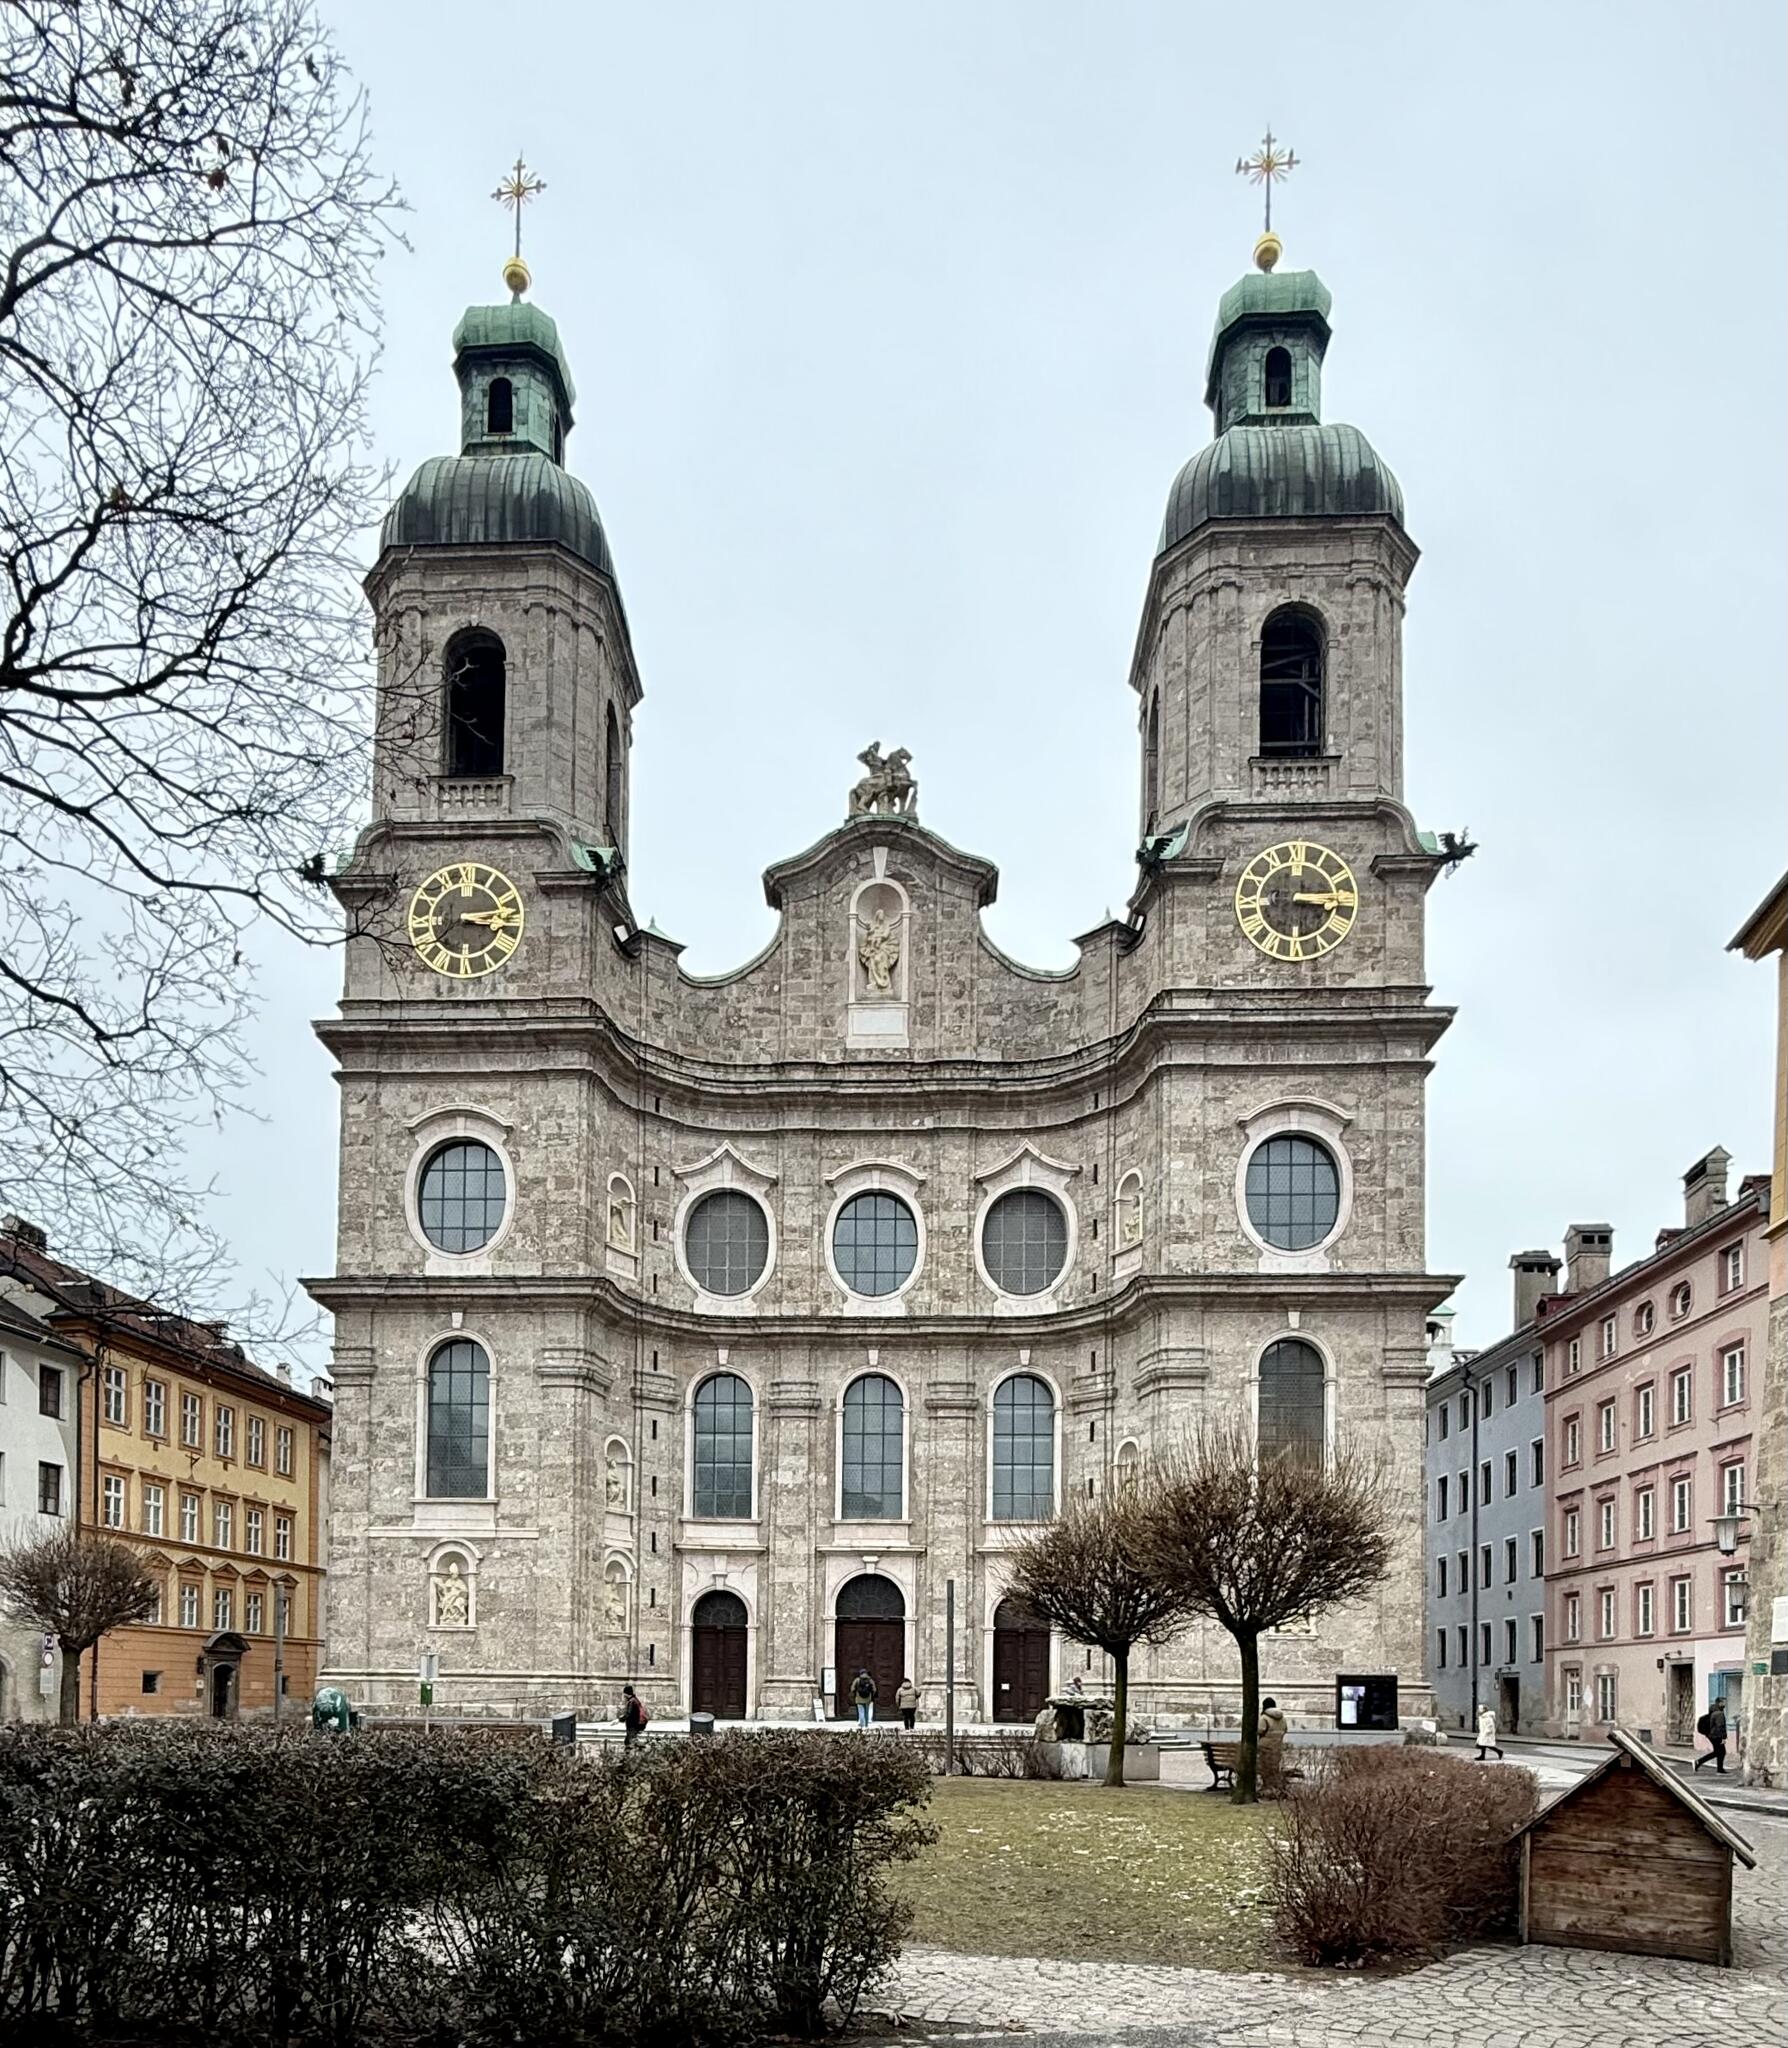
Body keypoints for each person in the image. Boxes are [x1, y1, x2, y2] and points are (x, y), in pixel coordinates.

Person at [1258, 1696, 1289, 1794]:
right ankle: (1275, 1787)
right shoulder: (1283, 1718)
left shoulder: (1264, 1717)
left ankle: (1267, 1787)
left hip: (1265, 1746)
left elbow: (1260, 1730)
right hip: (1277, 1746)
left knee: (1265, 1768)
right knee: (1275, 1768)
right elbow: (1285, 1730)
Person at [1694, 1698, 1729, 1773]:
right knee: (1721, 1752)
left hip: (1711, 1735)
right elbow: (1720, 1726)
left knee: (1719, 1752)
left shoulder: (1713, 1710)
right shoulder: (1719, 1713)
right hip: (1716, 1735)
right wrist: (1723, 1737)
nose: (1724, 1704)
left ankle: (1719, 1769)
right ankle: (1699, 1762)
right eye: (1723, 1702)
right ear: (1719, 1703)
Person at [619, 1684, 647, 1749]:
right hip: (634, 1724)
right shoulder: (635, 1700)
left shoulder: (631, 1701)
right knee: (630, 1741)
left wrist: (620, 1719)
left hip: (632, 1725)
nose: (623, 1695)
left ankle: (641, 1749)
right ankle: (639, 1751)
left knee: (629, 1742)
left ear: (626, 1693)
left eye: (624, 1694)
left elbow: (629, 1713)